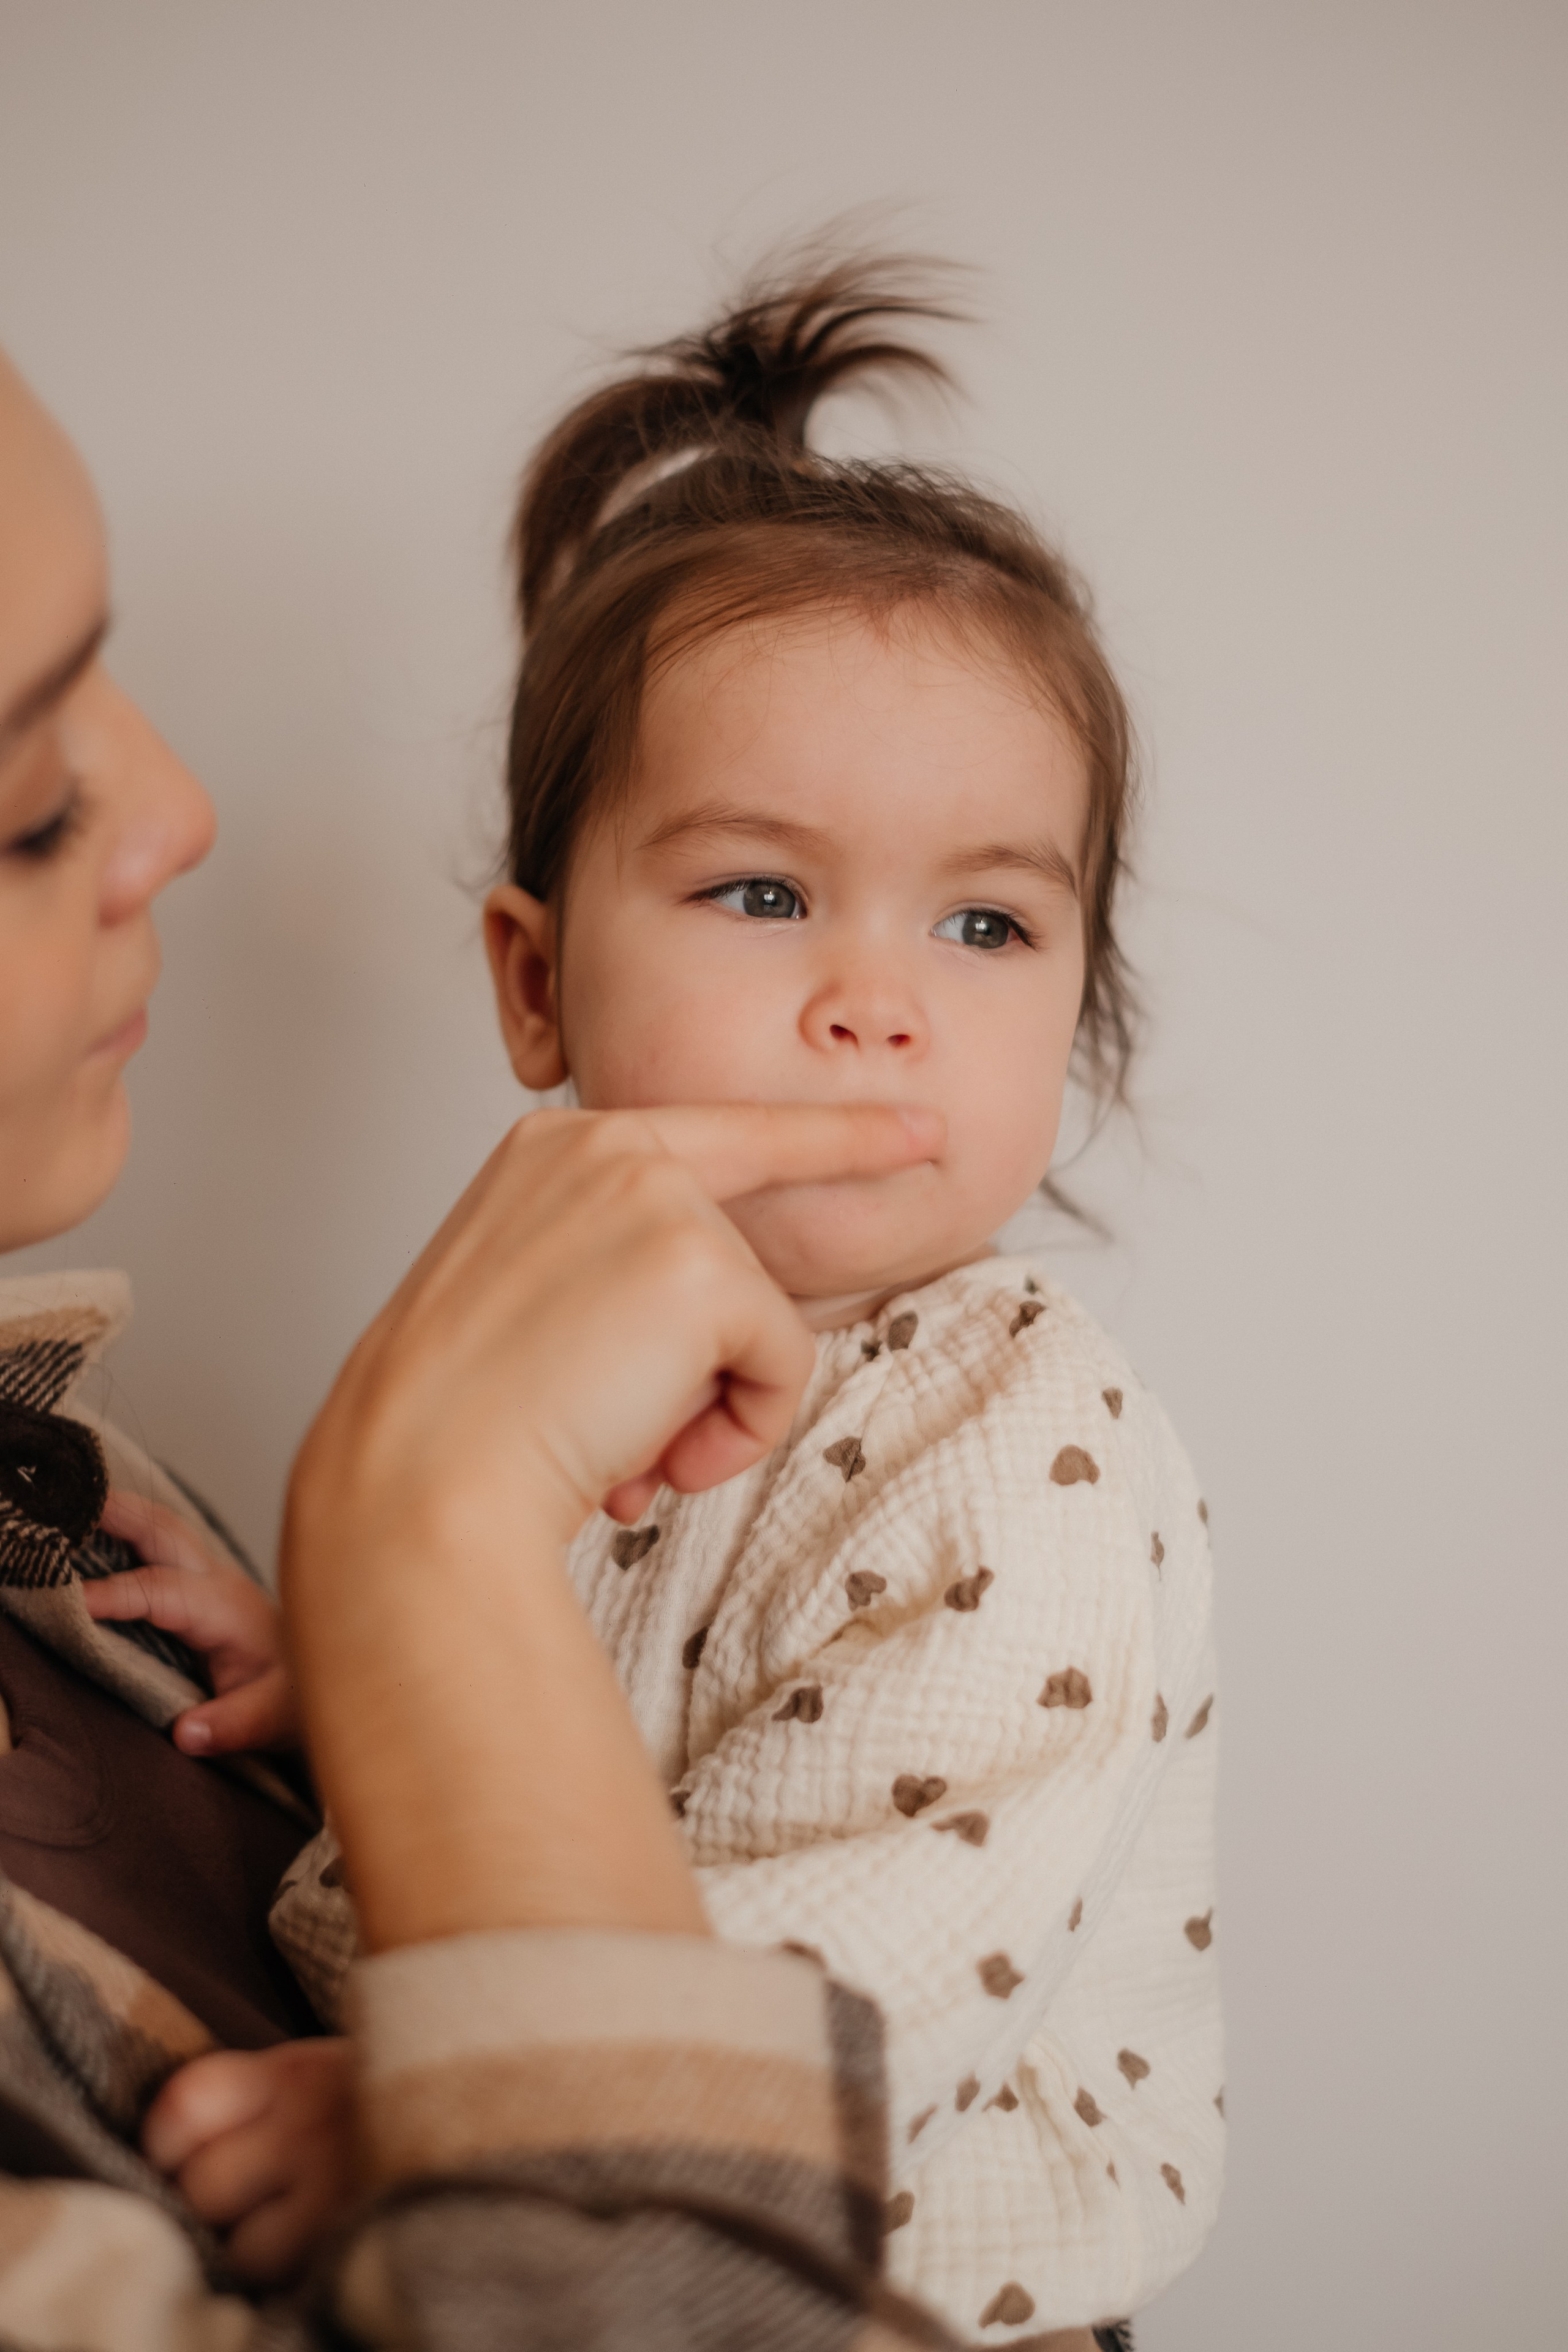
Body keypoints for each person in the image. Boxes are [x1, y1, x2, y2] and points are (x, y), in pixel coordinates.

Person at [115, 260, 1222, 2346]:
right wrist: (346, 1661)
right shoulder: (588, 1359)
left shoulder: (1027, 1434)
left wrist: (415, 2110)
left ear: (1076, 1009)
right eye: (762, 892)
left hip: (904, 2285)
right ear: (535, 984)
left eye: (987, 921)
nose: (874, 1002)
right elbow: (606, 1764)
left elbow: (900, 1943)